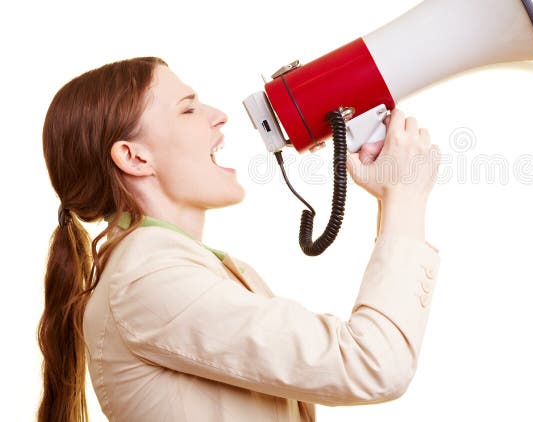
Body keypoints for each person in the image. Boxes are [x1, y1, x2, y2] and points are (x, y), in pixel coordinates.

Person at [39, 57, 441, 422]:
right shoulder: (148, 280)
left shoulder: (173, 269)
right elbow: (372, 364)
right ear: (134, 158)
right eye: (188, 109)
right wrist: (405, 199)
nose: (218, 116)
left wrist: (394, 197)